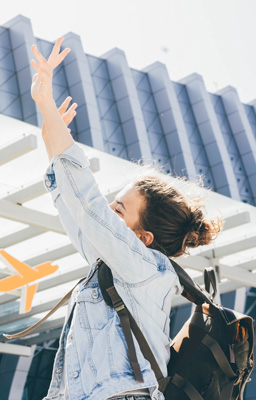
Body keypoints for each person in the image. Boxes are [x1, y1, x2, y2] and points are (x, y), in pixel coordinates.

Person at [30, 38, 221, 400]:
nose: (108, 212)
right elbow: (76, 210)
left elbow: (87, 206)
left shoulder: (142, 266)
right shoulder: (117, 265)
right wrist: (50, 129)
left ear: (143, 237)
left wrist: (48, 108)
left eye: (119, 210)